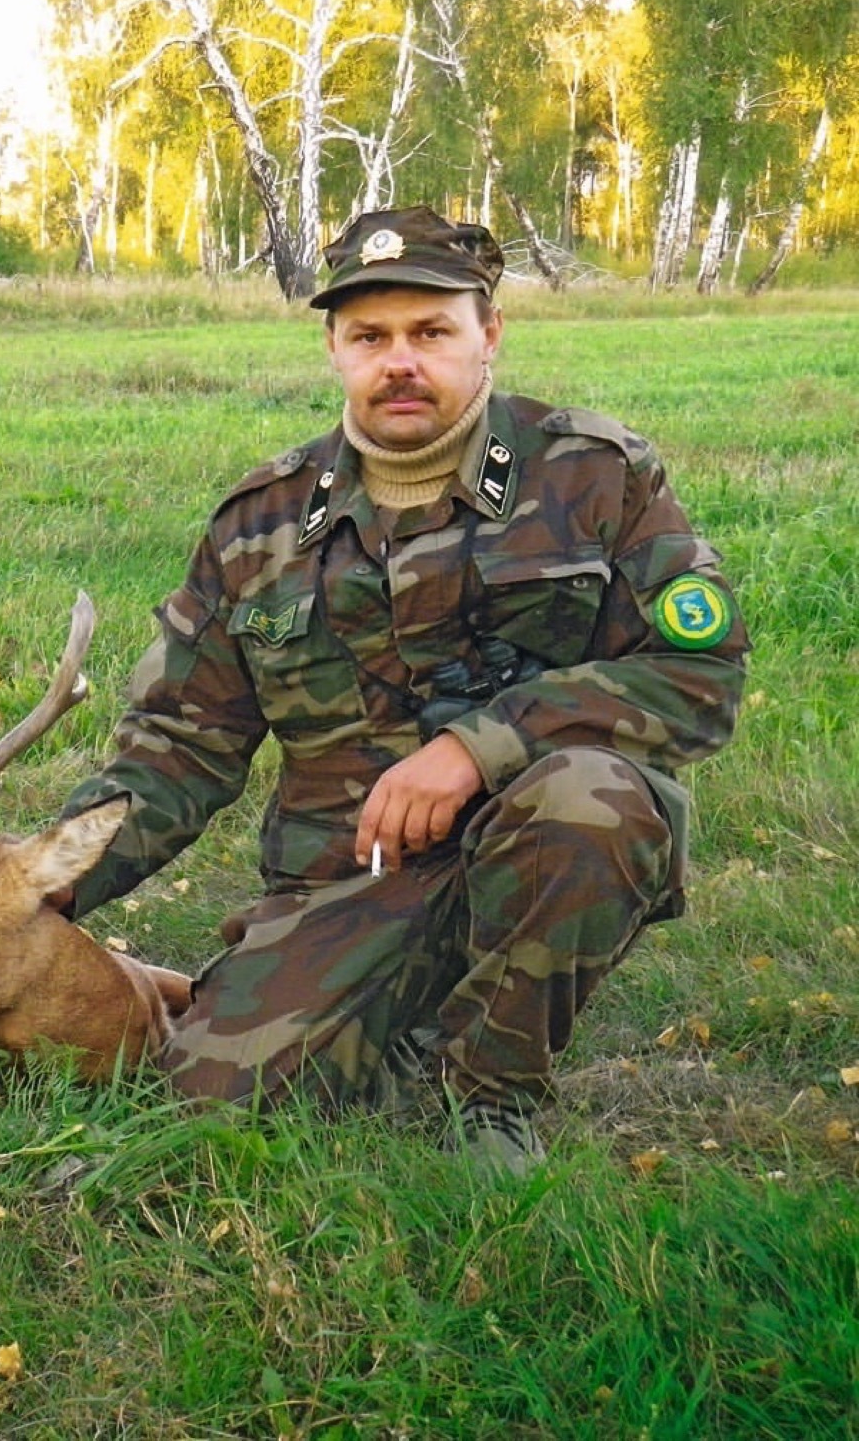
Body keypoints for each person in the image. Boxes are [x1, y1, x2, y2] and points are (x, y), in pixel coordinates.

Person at [59, 207, 747, 1173]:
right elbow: (180, 746)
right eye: (371, 337)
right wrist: (40, 882)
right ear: (334, 346)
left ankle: (490, 1097)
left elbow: (698, 674)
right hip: (349, 883)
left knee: (593, 800)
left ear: (488, 334)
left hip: (534, 841)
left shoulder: (593, 477)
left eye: (431, 332)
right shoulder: (260, 525)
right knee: (208, 1104)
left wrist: (478, 747)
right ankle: (404, 1020)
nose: (401, 363)